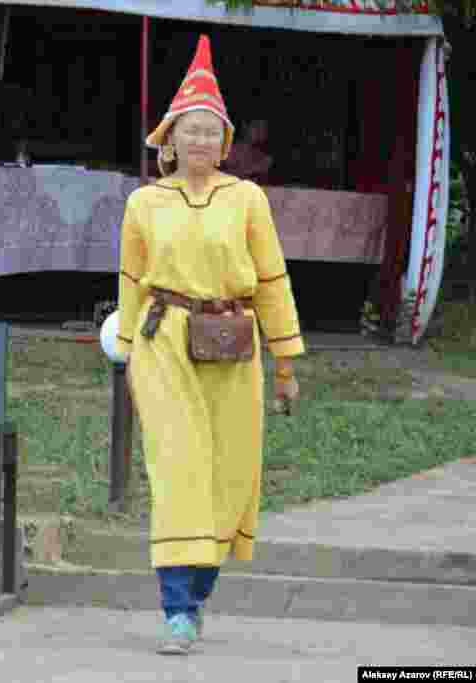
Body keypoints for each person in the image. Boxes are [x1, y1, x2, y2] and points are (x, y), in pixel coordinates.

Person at [114, 35, 304, 655]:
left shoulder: (246, 199)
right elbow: (131, 280)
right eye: (189, 131)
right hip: (163, 341)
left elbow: (273, 279)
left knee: (227, 476)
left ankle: (195, 601)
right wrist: (123, 340)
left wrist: (286, 363)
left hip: (234, 343)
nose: (199, 142)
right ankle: (174, 611)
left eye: (210, 132)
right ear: (170, 138)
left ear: (224, 143)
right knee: (177, 469)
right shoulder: (145, 202)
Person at [223, 119, 273, 183]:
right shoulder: (230, 150)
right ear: (245, 126)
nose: (261, 130)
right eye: (256, 126)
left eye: (264, 127)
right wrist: (253, 169)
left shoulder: (261, 155)